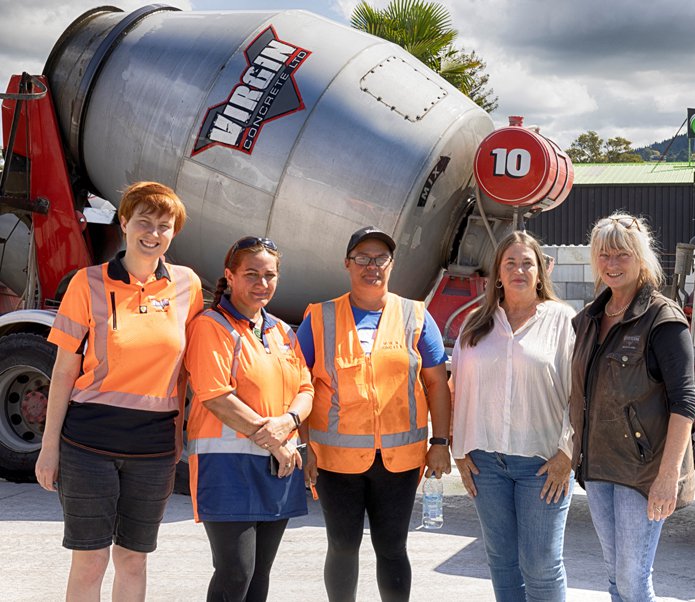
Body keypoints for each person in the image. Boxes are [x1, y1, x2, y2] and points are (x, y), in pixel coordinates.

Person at [34, 181, 203, 601]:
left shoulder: (187, 286)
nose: (153, 233)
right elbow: (63, 371)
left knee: (133, 559)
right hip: (88, 443)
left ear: (174, 233)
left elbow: (186, 373)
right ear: (124, 222)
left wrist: (180, 434)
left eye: (165, 225)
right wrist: (48, 448)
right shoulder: (87, 284)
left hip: (154, 447)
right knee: (90, 560)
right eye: (144, 221)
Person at [296, 225, 451, 602]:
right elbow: (297, 385)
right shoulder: (319, 318)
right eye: (362, 258)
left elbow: (436, 384)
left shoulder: (415, 315)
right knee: (343, 547)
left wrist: (441, 442)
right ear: (347, 264)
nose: (372, 266)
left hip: (399, 462)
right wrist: (305, 448)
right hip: (335, 463)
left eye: (381, 258)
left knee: (393, 548)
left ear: (392, 265)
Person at [569, 213, 695, 602]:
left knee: (633, 580)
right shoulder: (590, 318)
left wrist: (667, 477)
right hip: (598, 467)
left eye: (622, 254)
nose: (612, 264)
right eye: (604, 255)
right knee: (615, 577)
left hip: (642, 474)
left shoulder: (663, 319)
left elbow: (685, 402)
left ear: (642, 258)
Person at [183, 236, 313, 601]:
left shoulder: (282, 331)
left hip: (278, 466)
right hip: (227, 468)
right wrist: (275, 440)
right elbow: (216, 397)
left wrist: (288, 423)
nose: (262, 284)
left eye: (270, 275)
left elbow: (307, 390)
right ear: (230, 275)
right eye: (251, 274)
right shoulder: (212, 326)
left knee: (259, 576)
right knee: (235, 573)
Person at [451, 231, 576, 602]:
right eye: (511, 263)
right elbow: (457, 388)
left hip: (542, 464)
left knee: (541, 564)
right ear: (497, 274)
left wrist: (568, 454)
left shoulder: (562, 321)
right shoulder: (476, 324)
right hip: (485, 464)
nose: (519, 270)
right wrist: (459, 450)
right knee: (501, 561)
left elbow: (580, 395)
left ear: (541, 272)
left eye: (527, 263)